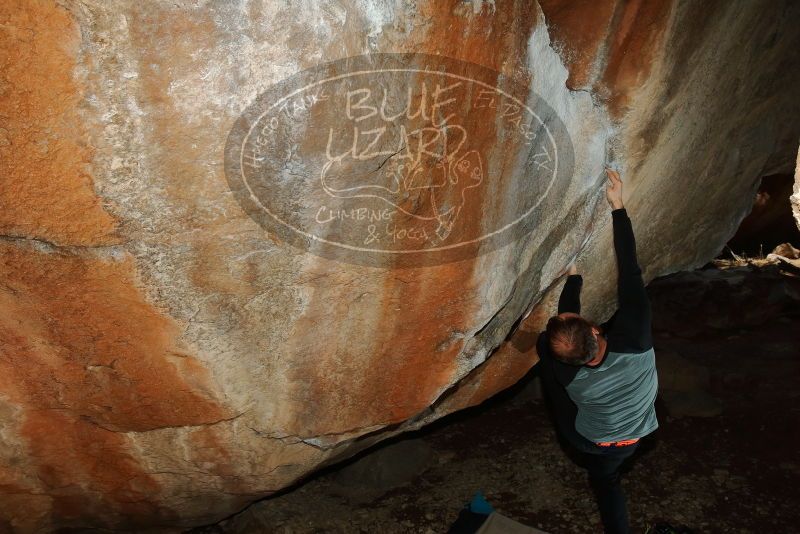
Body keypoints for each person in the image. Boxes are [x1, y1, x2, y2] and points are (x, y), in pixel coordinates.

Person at [537, 168, 658, 534]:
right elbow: (629, 272)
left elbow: (564, 323)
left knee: (606, 483)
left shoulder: (566, 372)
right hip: (638, 434)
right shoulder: (635, 336)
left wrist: (573, 278)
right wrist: (617, 205)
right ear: (595, 328)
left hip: (593, 443)